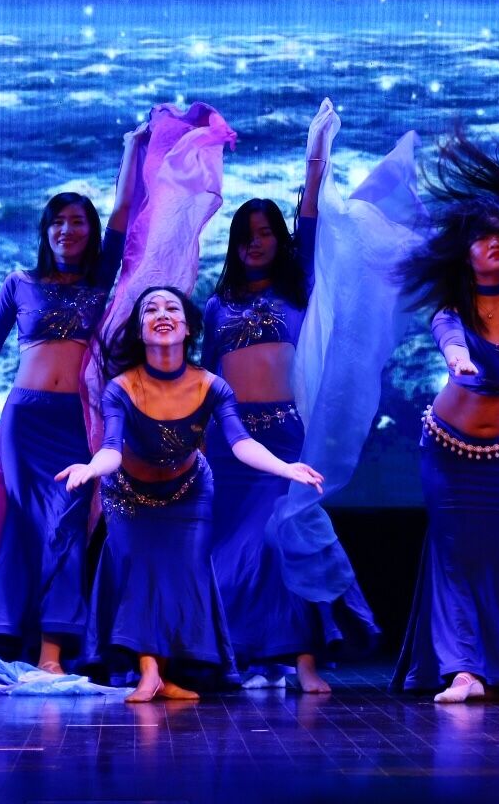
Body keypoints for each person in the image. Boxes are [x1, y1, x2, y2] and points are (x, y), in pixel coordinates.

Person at [60, 286, 323, 703]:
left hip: (188, 492)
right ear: (140, 330)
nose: (162, 314)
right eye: (151, 310)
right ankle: (149, 672)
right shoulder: (122, 388)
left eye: (172, 308)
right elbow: (111, 449)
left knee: (181, 573)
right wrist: (91, 468)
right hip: (130, 495)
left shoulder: (211, 386)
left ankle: (166, 674)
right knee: (142, 568)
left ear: (187, 329)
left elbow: (241, 443)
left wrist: (285, 468)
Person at [0, 128, 145, 671]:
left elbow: (123, 210)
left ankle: (54, 648)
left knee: (68, 521)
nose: (66, 229)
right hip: (25, 421)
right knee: (23, 521)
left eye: (77, 221)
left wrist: (132, 147)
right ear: (46, 231)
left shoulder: (101, 280)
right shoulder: (20, 283)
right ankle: (5, 639)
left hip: (75, 423)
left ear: (89, 231)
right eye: (57, 221)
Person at [200, 113, 377, 691]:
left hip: (283, 438)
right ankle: (230, 653)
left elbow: (311, 221)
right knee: (230, 548)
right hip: (228, 443)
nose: (255, 242)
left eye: (265, 232)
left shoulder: (297, 288)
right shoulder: (216, 305)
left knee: (283, 541)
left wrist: (315, 151)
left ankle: (302, 659)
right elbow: (204, 378)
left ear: (279, 240)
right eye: (245, 235)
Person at [392, 129, 499, 703]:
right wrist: (459, 359)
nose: (494, 244)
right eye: (482, 237)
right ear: (464, 250)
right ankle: (462, 669)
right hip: (450, 449)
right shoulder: (454, 310)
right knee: (454, 551)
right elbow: (450, 341)